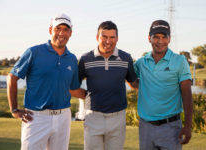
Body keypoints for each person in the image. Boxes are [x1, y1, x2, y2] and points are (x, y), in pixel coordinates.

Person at [7, 13, 85, 150]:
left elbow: (73, 89)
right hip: (36, 117)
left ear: (70, 33)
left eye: (65, 29)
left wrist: (96, 95)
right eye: (58, 28)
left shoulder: (72, 59)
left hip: (63, 118)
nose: (61, 33)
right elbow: (12, 77)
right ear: (50, 30)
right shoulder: (34, 52)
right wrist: (14, 109)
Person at [131, 20, 193, 150]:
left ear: (169, 39)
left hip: (171, 127)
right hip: (146, 127)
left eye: (164, 37)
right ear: (149, 38)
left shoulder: (180, 61)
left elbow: (186, 93)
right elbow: (134, 82)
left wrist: (188, 125)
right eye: (156, 37)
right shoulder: (141, 63)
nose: (160, 41)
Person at [78, 21, 137, 150]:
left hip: (118, 117)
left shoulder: (126, 58)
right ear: (97, 37)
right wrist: (87, 96)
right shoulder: (85, 59)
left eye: (112, 37)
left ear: (117, 38)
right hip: (93, 116)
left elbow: (134, 84)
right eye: (104, 37)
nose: (108, 41)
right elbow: (73, 86)